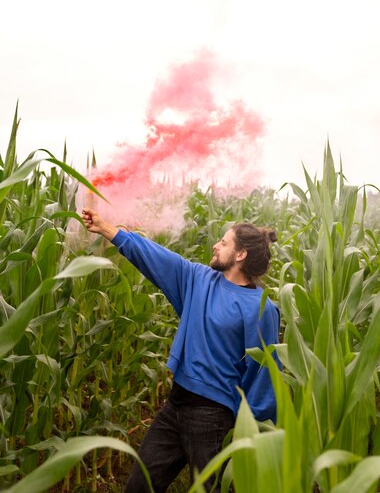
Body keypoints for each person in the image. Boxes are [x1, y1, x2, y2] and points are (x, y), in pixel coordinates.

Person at [81, 207, 281, 493]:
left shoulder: (260, 309)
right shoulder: (198, 280)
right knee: (139, 486)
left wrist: (253, 436)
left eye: (223, 243)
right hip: (175, 405)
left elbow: (263, 376)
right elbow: (155, 258)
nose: (215, 245)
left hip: (214, 417)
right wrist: (107, 228)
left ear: (240, 255)